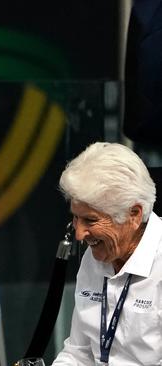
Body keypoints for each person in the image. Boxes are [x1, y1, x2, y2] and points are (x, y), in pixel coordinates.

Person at [52, 142, 161, 365]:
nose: (80, 234)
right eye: (75, 218)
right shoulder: (94, 258)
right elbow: (78, 352)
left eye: (90, 220)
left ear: (134, 214)